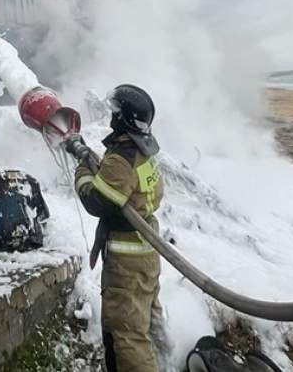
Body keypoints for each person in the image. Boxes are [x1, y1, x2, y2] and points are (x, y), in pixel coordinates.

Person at [67, 84, 166, 372]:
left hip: (127, 262)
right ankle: (166, 360)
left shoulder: (123, 157)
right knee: (147, 320)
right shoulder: (142, 150)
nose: (111, 115)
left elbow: (97, 200)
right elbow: (122, 186)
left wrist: (83, 170)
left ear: (124, 118)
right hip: (145, 252)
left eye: (114, 111)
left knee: (126, 333)